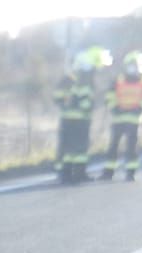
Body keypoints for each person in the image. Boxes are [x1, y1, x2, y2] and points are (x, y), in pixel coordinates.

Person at [54, 47, 109, 184]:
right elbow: (85, 101)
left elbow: (57, 98)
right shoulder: (86, 79)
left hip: (67, 119)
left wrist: (65, 105)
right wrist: (91, 106)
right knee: (80, 148)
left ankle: (65, 174)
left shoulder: (69, 78)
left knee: (67, 147)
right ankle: (79, 173)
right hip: (81, 119)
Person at [101, 51, 142, 181]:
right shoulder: (118, 80)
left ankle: (131, 172)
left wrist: (141, 108)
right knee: (113, 146)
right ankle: (108, 172)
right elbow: (109, 96)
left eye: (135, 65)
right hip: (118, 117)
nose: (133, 68)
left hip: (134, 119)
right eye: (131, 65)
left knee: (131, 147)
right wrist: (114, 108)